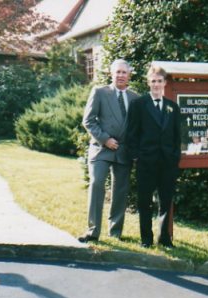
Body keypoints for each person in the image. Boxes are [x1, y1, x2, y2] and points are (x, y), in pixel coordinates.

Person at [78, 59, 139, 243]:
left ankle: (115, 232)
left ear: (129, 75)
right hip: (101, 149)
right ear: (111, 74)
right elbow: (88, 121)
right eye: (117, 72)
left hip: (123, 151)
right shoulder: (99, 92)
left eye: (124, 72)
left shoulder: (135, 97)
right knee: (97, 185)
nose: (120, 75)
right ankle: (93, 231)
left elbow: (137, 127)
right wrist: (105, 139)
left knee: (120, 190)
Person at [126, 65, 181, 248]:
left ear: (165, 83)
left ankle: (164, 238)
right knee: (144, 202)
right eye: (153, 81)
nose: (156, 85)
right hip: (146, 163)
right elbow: (131, 134)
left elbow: (176, 136)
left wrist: (174, 158)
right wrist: (136, 157)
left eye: (159, 81)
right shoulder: (139, 105)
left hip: (167, 163)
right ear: (148, 83)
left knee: (165, 202)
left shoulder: (173, 107)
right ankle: (146, 239)